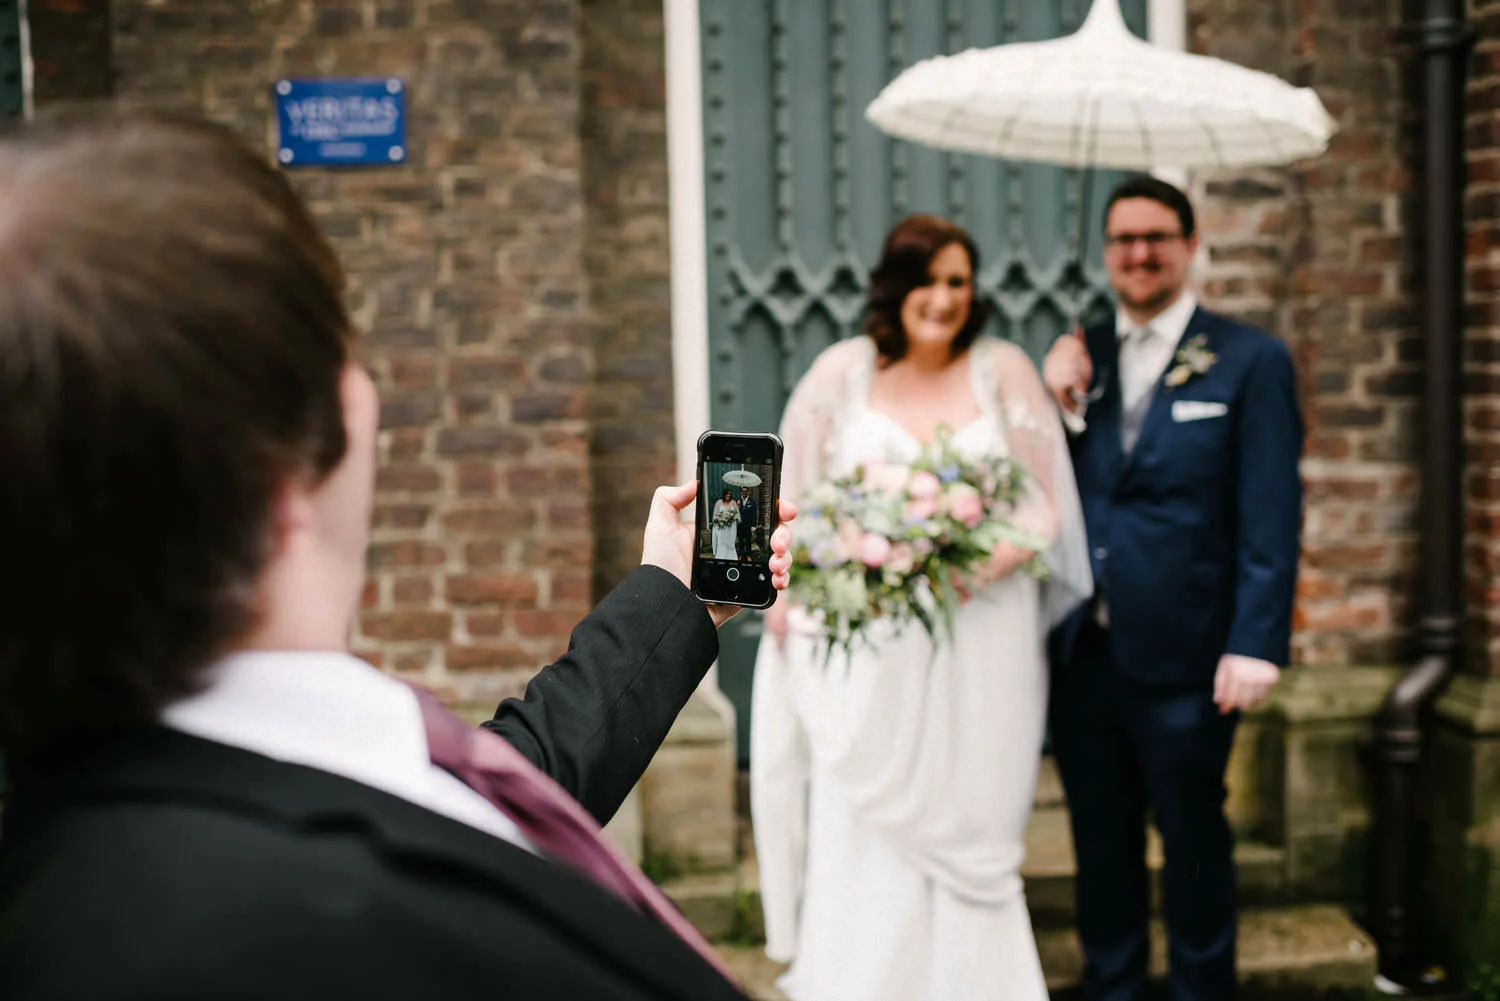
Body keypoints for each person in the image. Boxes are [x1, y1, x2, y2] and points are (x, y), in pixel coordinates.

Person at [0, 109, 796, 1001]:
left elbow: (486, 798)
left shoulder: (96, 817)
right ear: (289, 456)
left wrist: (678, 601)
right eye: (349, 356)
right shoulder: (336, 938)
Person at [749, 214, 1092, 1001]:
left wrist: (973, 563)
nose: (942, 298)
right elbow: (791, 497)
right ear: (895, 287)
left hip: (986, 628)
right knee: (867, 813)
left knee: (979, 798)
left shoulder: (1001, 371)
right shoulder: (842, 375)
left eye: (958, 282)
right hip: (873, 635)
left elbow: (1046, 504)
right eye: (927, 280)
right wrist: (801, 587)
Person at [1041, 175, 1303, 1001]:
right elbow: (1050, 494)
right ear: (1107, 251)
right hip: (1087, 654)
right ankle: (1111, 988)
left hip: (1191, 656)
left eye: (1158, 236)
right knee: (1101, 845)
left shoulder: (1251, 360)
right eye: (1123, 239)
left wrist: (1256, 640)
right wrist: (1054, 405)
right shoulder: (1082, 359)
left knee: (1193, 845)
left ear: (1190, 246)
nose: (1140, 253)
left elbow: (1271, 512)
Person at [712, 488, 740, 559]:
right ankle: (721, 556)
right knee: (722, 542)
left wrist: (732, 518)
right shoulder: (719, 502)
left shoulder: (733, 502)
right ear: (724, 494)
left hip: (732, 527)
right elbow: (715, 514)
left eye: (730, 494)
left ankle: (731, 557)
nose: (728, 495)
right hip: (722, 526)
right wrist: (719, 520)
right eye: (727, 494)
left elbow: (737, 514)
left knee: (731, 542)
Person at [737, 486, 759, 561]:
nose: (744, 492)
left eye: (746, 491)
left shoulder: (752, 502)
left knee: (748, 541)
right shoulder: (738, 501)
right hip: (740, 525)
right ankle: (740, 555)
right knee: (740, 541)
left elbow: (754, 514)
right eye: (743, 491)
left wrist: (753, 525)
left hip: (748, 525)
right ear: (741, 492)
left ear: (748, 492)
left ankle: (748, 556)